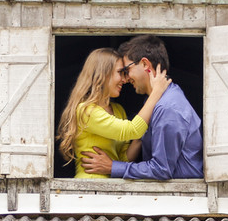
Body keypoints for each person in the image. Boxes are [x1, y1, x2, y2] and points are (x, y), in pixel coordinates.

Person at [80, 35, 203, 181]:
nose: (126, 79)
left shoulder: (168, 108)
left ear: (145, 64)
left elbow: (161, 170)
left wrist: (113, 167)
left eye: (127, 70)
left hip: (182, 194)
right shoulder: (157, 102)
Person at [57, 47, 170, 179]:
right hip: (90, 184)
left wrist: (143, 133)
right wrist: (157, 92)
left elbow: (122, 159)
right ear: (103, 74)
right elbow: (132, 130)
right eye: (120, 73)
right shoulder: (87, 111)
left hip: (112, 185)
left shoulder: (118, 110)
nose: (124, 80)